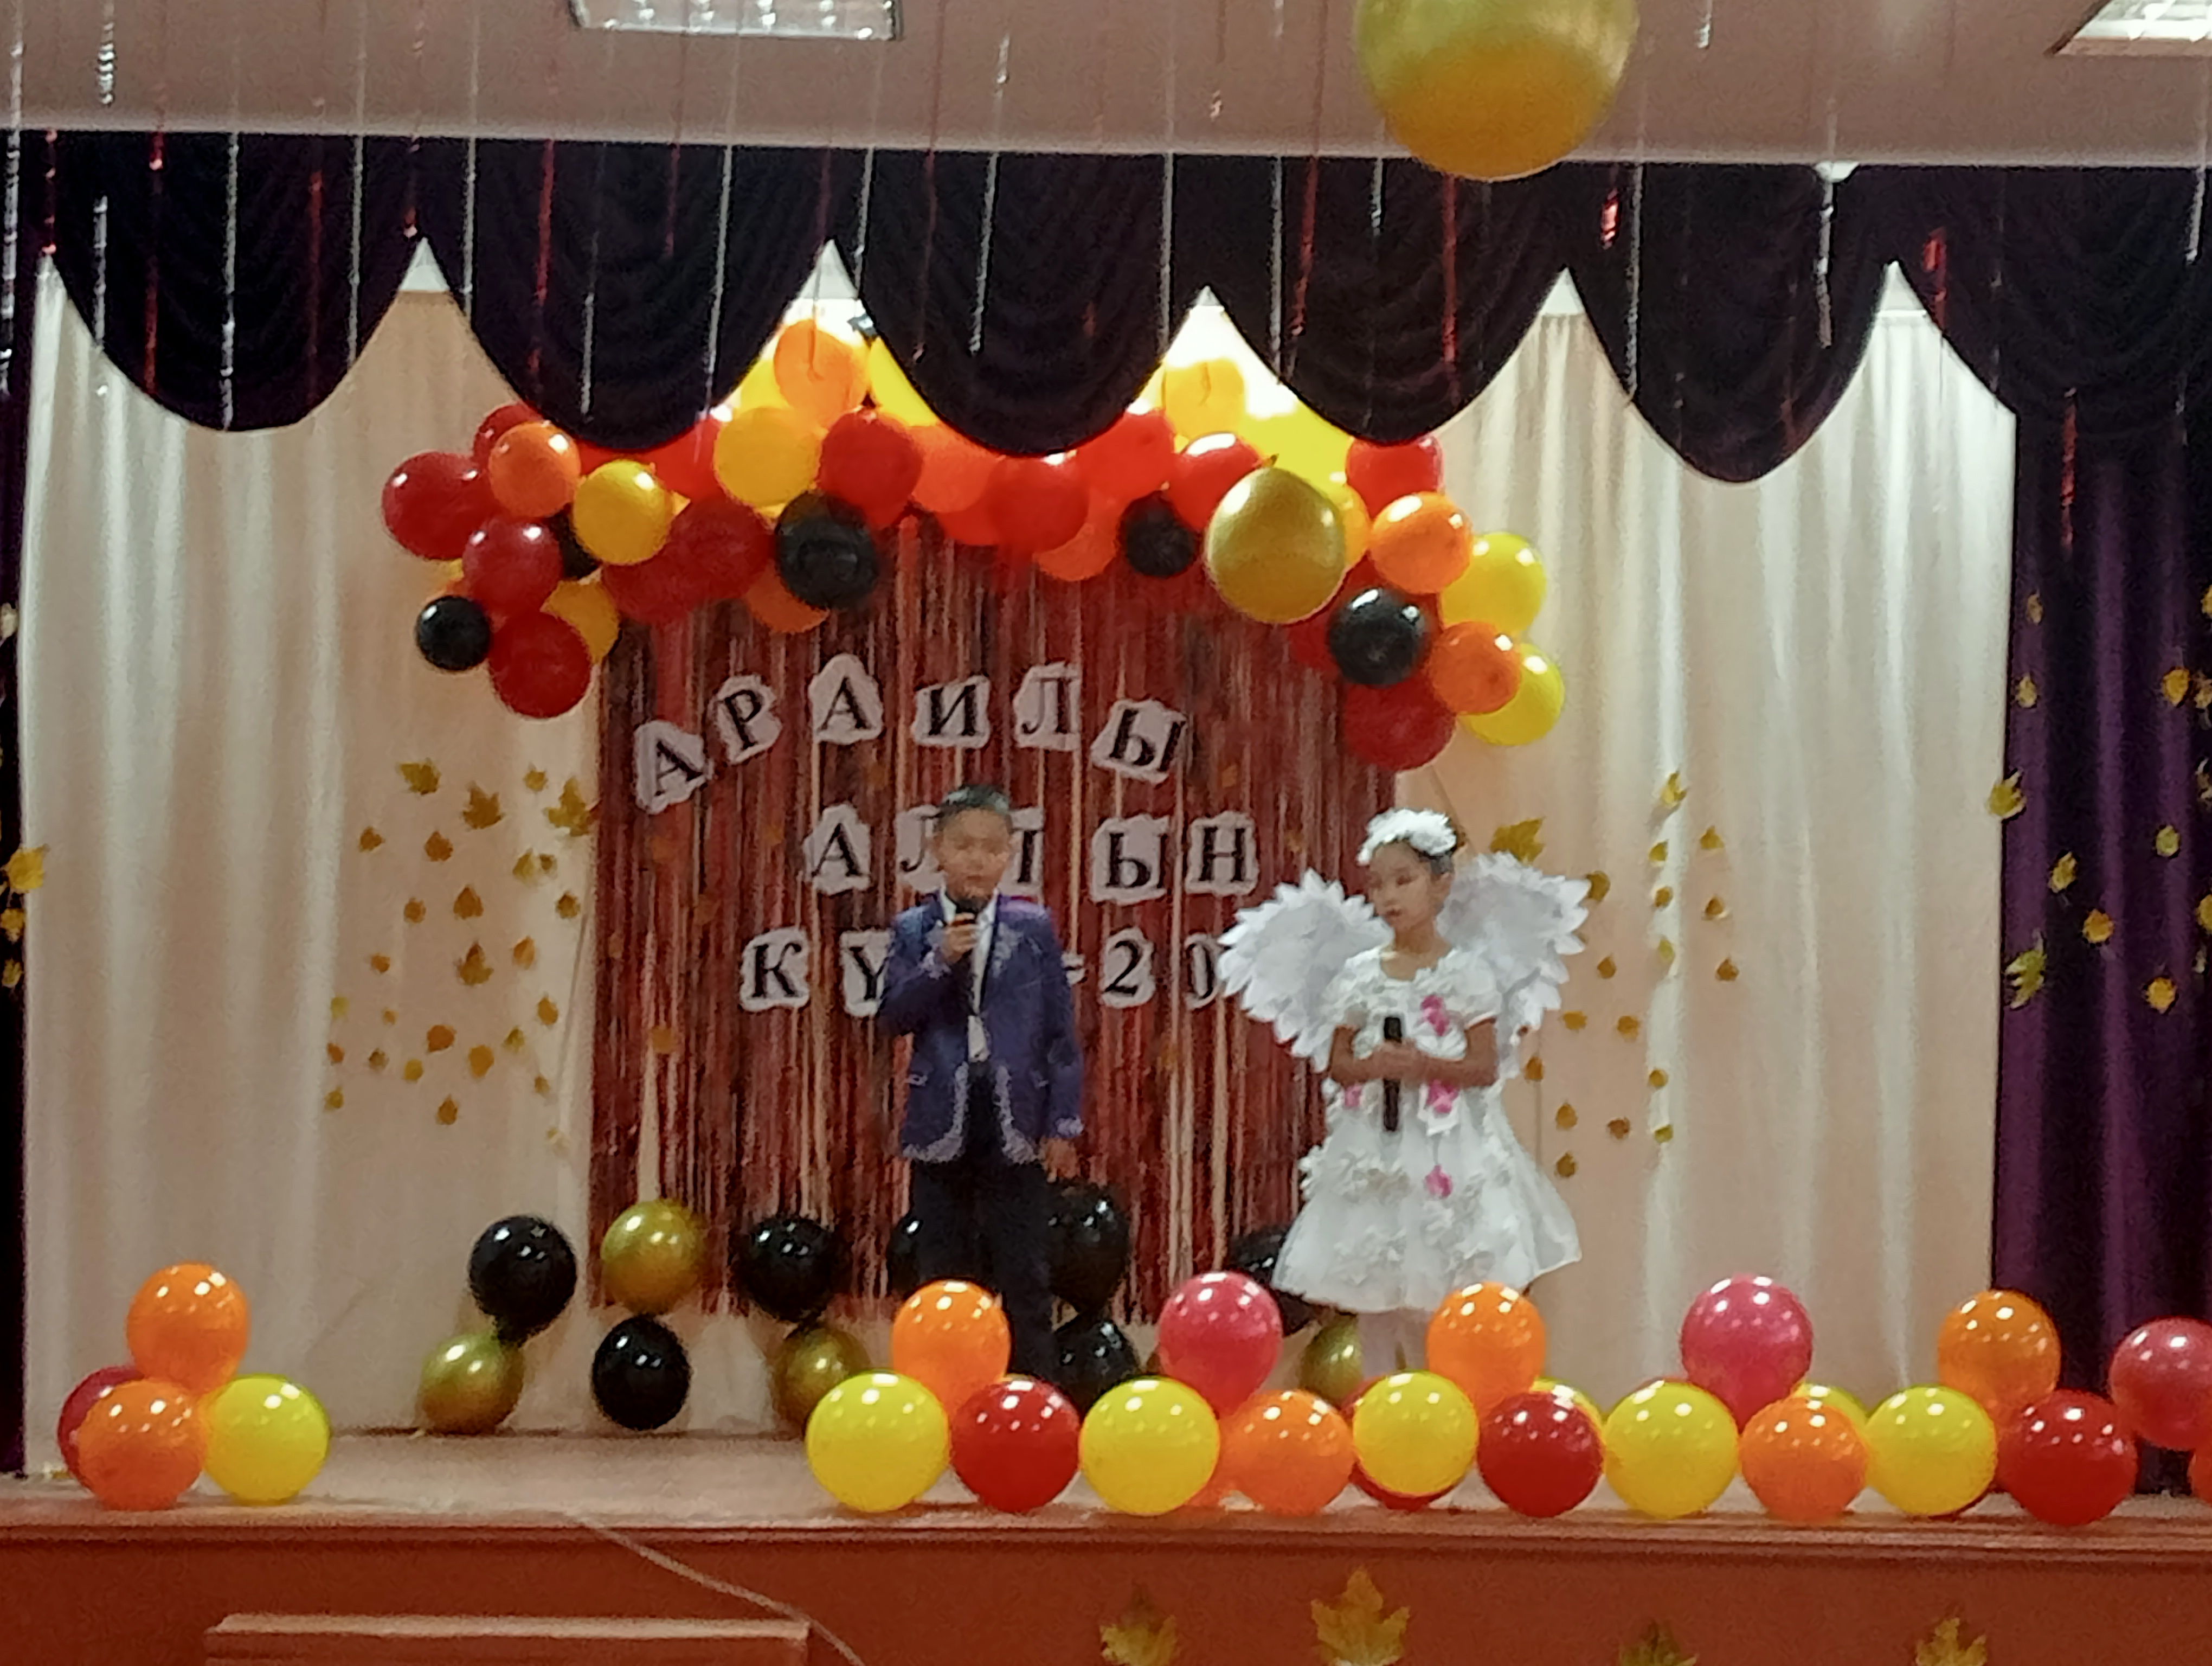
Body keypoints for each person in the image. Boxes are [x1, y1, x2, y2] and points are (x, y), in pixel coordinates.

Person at [1220, 808, 1586, 1375]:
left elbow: (1483, 1065)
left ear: (1441, 885)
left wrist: (1423, 1064)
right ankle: (1378, 1397)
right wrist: (1371, 1066)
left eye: (1403, 880)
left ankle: (1440, 1402)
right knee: (1376, 1290)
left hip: (1446, 1150)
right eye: (1377, 884)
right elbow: (1339, 1062)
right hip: (1377, 1147)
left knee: (1441, 1286)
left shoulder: (1467, 972)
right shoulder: (1360, 974)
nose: (1389, 896)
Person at [878, 783, 1083, 1382]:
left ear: (1009, 855)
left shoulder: (1032, 927)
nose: (977, 860)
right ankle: (946, 1396)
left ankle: (1032, 1397)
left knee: (1024, 1268)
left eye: (992, 849)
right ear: (938, 850)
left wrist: (1062, 1124)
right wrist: (939, 961)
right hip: (943, 1113)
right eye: (964, 846)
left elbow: (1059, 1033)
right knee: (943, 1268)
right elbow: (893, 1016)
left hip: (1015, 1114)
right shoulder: (915, 928)